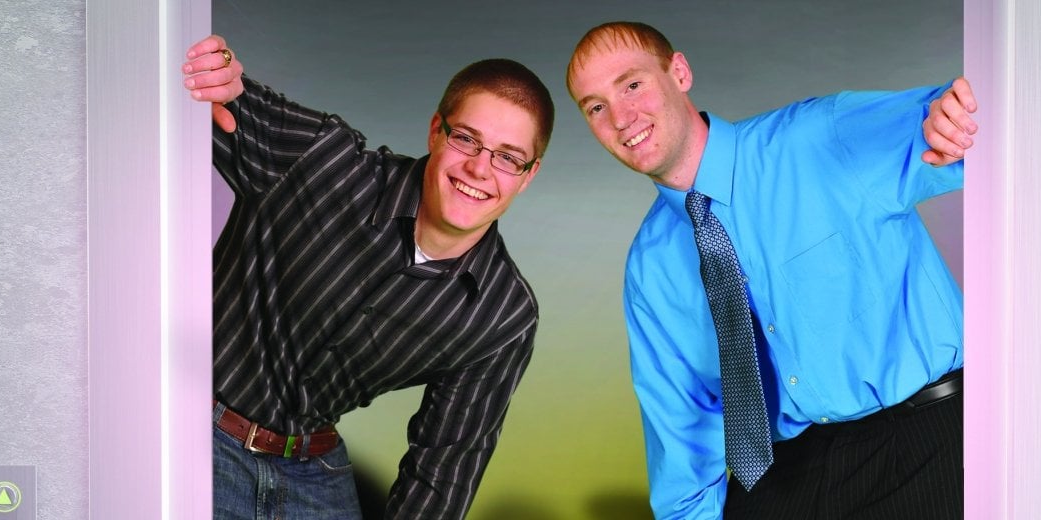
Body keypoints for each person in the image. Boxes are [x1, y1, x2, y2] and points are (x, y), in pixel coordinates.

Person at [564, 22, 977, 518]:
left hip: (921, 437)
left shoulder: (820, 137)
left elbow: (963, 132)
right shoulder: (650, 268)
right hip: (787, 471)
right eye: (596, 107)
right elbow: (681, 430)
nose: (622, 118)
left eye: (631, 85)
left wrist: (955, 123)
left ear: (678, 71)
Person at [180, 34, 554, 519]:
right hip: (197, 429)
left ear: (528, 175)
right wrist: (213, 67)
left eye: (507, 157)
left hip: (312, 473)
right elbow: (218, 93)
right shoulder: (326, 160)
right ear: (436, 132)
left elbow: (442, 472)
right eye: (467, 138)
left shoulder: (502, 316)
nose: (480, 169)